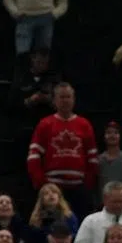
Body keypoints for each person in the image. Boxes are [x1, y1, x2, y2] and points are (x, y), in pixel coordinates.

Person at [26, 82, 97, 217]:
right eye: (62, 97)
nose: (65, 101)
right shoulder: (45, 124)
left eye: (68, 97)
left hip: (78, 188)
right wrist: (42, 184)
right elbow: (33, 157)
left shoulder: (84, 124)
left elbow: (92, 157)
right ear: (55, 100)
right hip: (52, 188)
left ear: (74, 99)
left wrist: (87, 183)